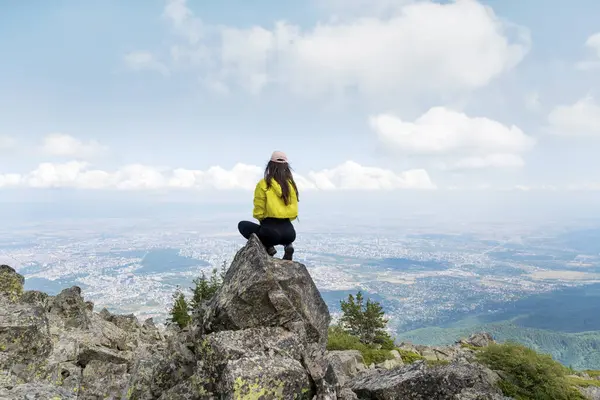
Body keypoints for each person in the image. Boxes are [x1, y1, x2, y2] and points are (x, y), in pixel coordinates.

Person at [238, 151, 299, 261]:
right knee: (281, 234)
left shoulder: (263, 184)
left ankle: (268, 246)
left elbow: (259, 210)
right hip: (290, 233)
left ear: (270, 165)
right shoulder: (291, 185)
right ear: (286, 167)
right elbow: (294, 211)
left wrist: (262, 220)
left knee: (242, 225)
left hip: (270, 233)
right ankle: (288, 245)